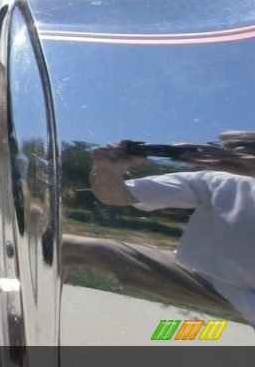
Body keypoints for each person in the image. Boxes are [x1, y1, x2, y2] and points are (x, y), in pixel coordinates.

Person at [84, 135, 255, 326]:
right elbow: (115, 196)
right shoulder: (218, 181)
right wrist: (108, 169)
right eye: (228, 148)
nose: (239, 155)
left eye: (249, 148)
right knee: (70, 246)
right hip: (205, 279)